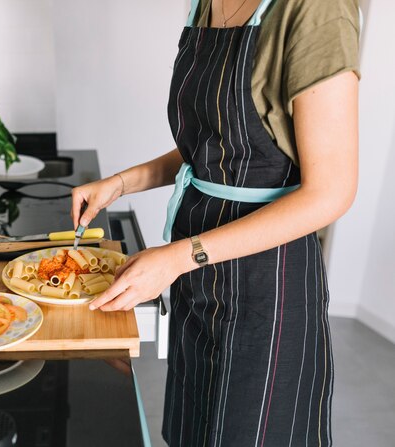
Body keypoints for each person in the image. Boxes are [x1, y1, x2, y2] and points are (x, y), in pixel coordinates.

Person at [70, 0, 360, 445]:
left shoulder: (317, 9)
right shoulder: (204, 4)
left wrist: (179, 258)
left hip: (268, 285)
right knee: (194, 431)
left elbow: (331, 192)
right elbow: (211, 146)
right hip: (196, 275)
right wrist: (122, 183)